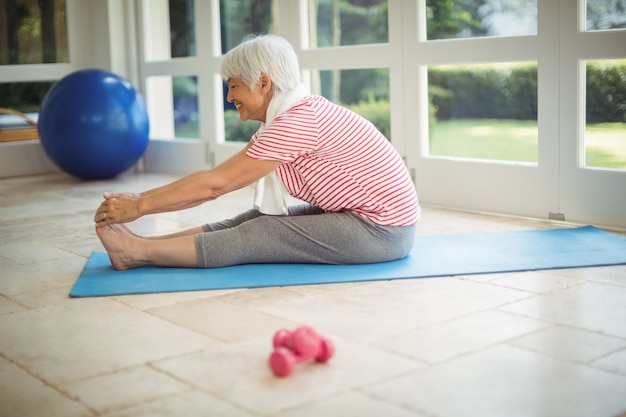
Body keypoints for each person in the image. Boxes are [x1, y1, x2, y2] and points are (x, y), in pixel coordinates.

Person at [94, 34, 420, 270]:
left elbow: (215, 186)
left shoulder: (297, 121)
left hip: (383, 231)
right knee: (253, 219)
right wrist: (137, 201)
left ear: (263, 83)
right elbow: (212, 177)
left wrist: (138, 205)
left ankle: (137, 253)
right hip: (370, 221)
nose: (229, 96)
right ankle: (144, 245)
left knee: (264, 232)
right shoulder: (292, 115)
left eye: (234, 85)